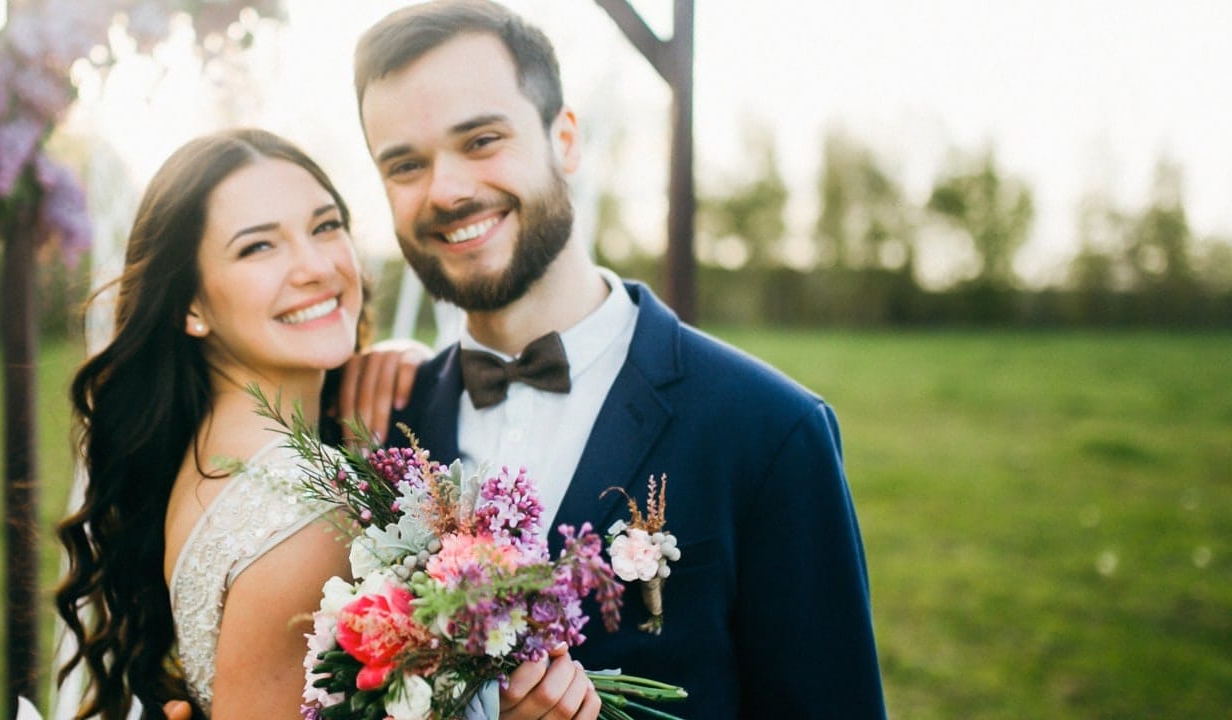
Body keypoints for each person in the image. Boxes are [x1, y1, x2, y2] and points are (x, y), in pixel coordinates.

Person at [345, 1, 888, 717]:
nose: (446, 190)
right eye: (406, 164)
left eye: (481, 140)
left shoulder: (769, 432)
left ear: (565, 140)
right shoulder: (374, 428)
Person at [55, 128, 422, 719]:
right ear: (190, 307)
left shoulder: (211, 446)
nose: (314, 267)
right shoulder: (306, 511)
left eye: (325, 226)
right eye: (259, 248)